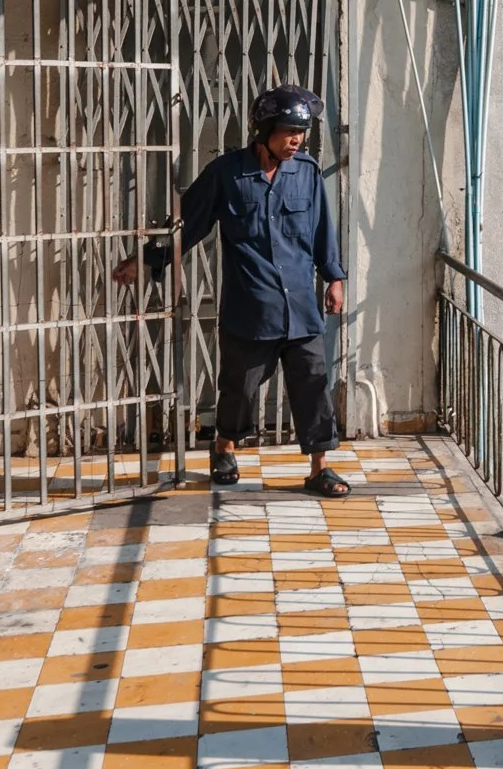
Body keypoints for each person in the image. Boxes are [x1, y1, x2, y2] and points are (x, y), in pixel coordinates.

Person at [112, 85, 348, 494]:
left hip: (301, 306)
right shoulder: (227, 174)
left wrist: (335, 277)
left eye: (301, 133)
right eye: (289, 131)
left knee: (313, 383)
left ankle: (319, 467)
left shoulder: (306, 172)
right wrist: (147, 259)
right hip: (250, 307)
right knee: (240, 387)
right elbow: (190, 224)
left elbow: (322, 229)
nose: (296, 140)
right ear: (265, 130)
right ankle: (223, 447)